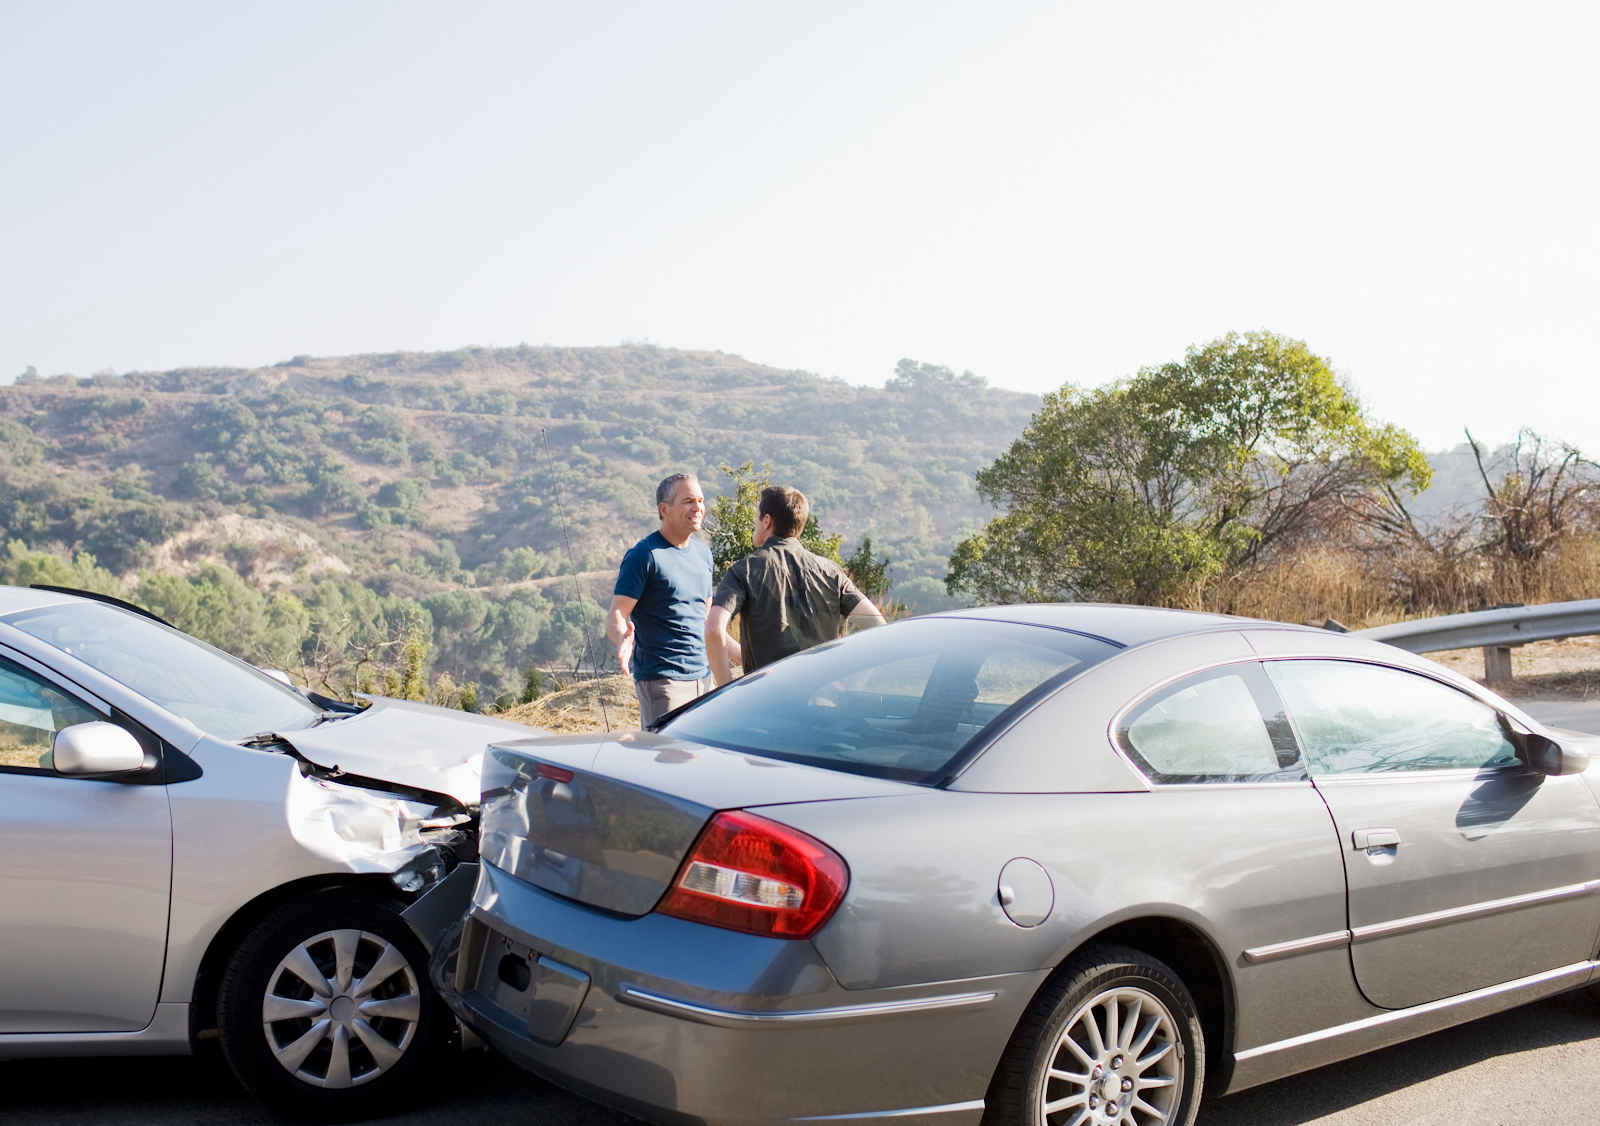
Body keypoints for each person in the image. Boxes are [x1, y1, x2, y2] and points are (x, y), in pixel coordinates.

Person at [706, 485, 886, 686]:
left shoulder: (744, 570)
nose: (754, 524)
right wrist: (854, 685)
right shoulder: (831, 571)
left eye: (756, 518)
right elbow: (876, 624)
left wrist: (725, 691)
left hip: (765, 698)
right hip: (822, 696)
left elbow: (714, 629)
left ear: (767, 521)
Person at [607, 473, 714, 726]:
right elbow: (617, 614)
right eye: (688, 500)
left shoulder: (704, 554)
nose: (698, 507)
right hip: (664, 682)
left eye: (700, 500)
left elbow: (706, 620)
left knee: (700, 758)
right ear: (664, 509)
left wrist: (749, 660)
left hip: (704, 678)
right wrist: (623, 637)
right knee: (668, 760)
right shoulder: (644, 555)